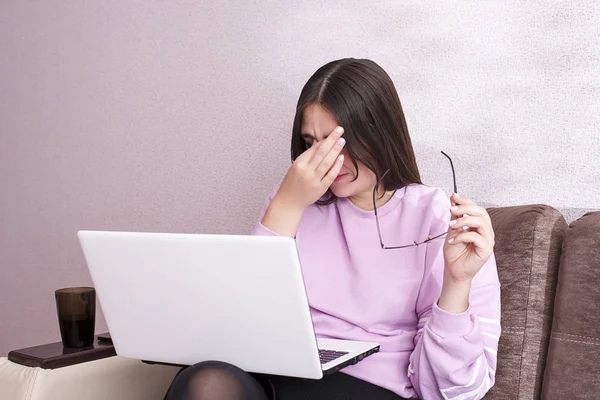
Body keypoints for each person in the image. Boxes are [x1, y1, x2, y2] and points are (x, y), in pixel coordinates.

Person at [166, 58, 501, 400]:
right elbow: (239, 318)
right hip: (274, 373)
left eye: (337, 141)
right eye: (311, 143)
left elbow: (456, 392)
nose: (324, 157)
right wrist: (287, 204)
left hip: (370, 387)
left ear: (378, 132)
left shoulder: (440, 219)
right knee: (205, 381)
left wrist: (456, 284)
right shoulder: (293, 200)